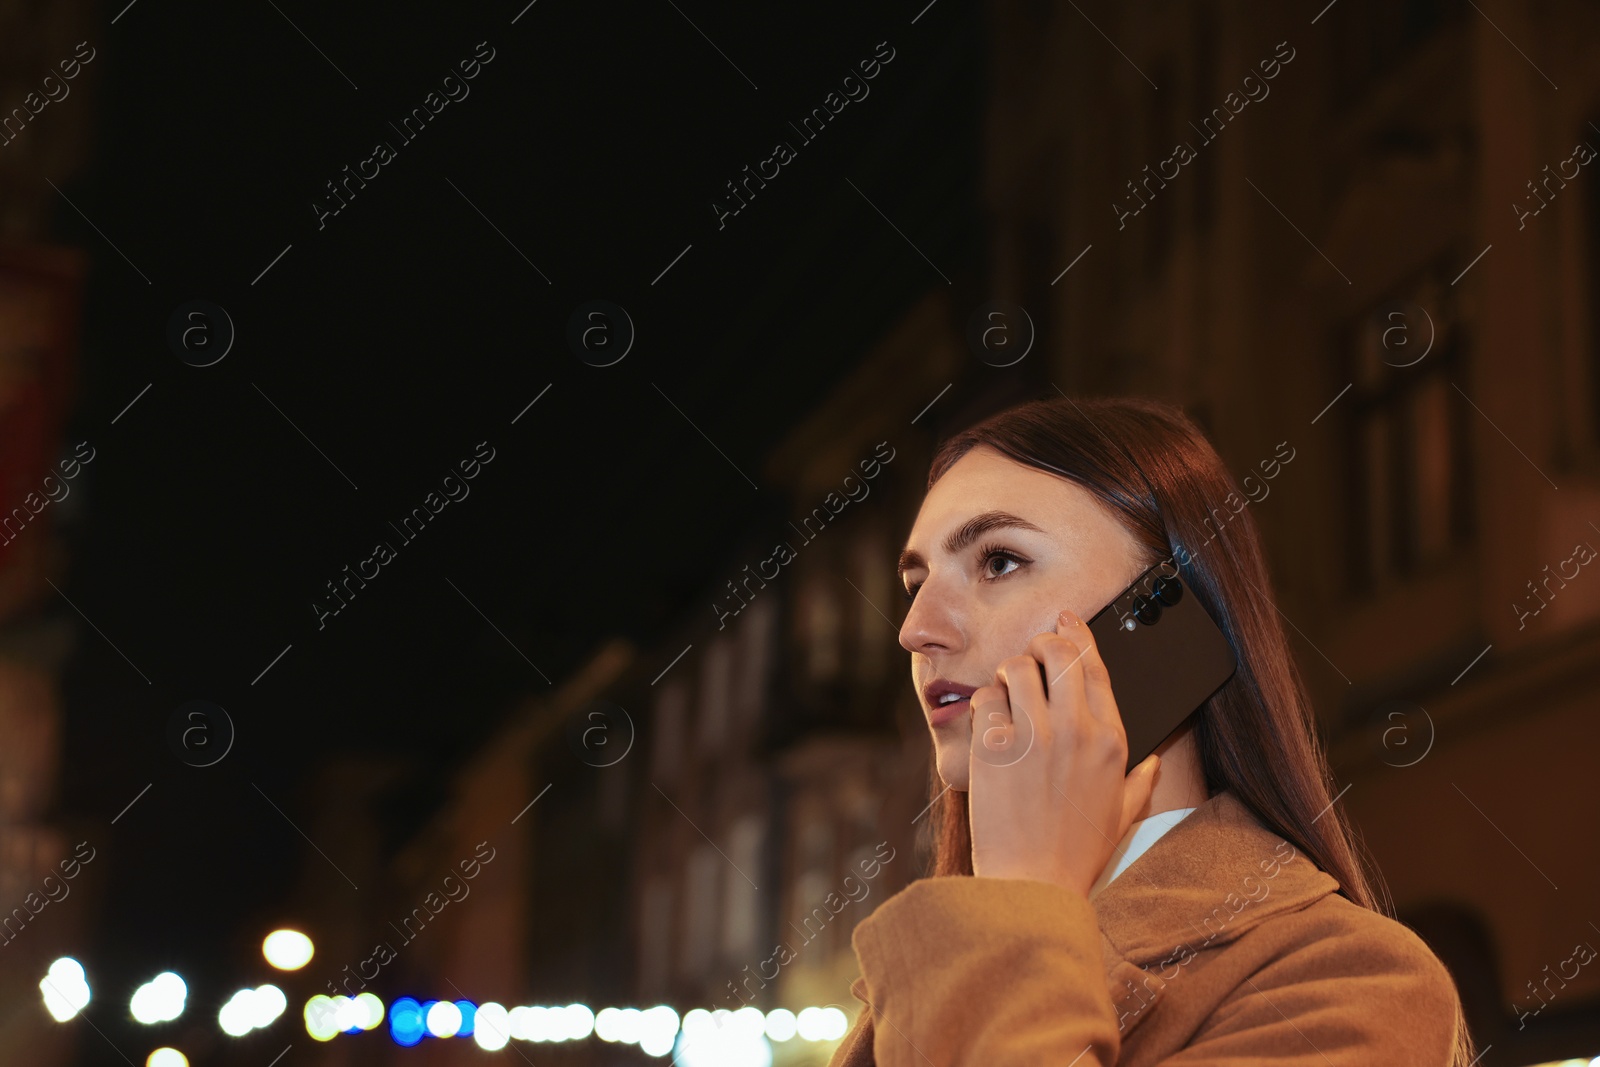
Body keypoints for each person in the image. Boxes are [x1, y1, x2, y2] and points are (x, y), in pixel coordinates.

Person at [826, 395, 1475, 1067]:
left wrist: (1024, 903)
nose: (916, 628)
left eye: (998, 562)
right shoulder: (910, 988)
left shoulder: (1351, 982)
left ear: (1170, 621)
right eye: (915, 582)